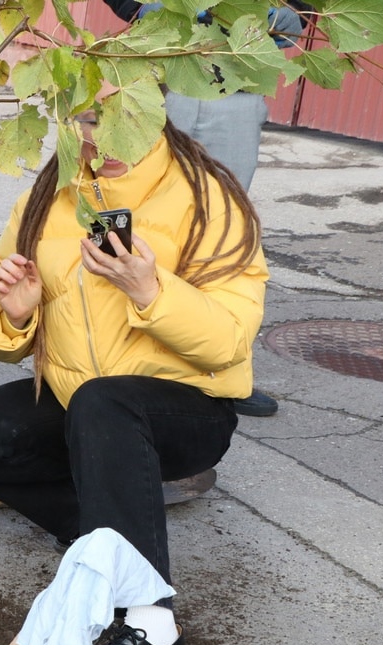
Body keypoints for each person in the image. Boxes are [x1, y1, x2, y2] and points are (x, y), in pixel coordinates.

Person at [0, 90, 268, 645]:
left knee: (104, 402)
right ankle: (98, 529)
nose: (99, 140)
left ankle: (154, 628)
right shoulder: (51, 195)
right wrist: (13, 314)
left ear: (157, 114)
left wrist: (151, 292)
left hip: (184, 407)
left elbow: (230, 343)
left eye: (119, 121)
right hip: (81, 401)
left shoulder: (207, 197)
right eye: (88, 120)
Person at [99, 1, 313, 417]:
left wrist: (296, 16)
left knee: (226, 228)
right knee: (126, 213)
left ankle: (222, 371)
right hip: (153, 77)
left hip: (235, 84)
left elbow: (304, 8)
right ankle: (106, 357)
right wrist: (140, 7)